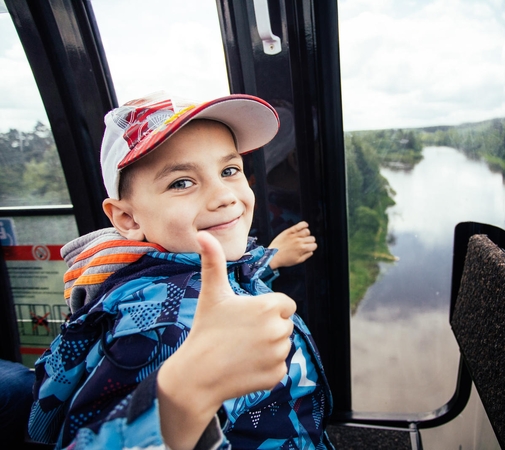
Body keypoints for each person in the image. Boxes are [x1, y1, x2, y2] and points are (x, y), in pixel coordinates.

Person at [28, 92, 333, 450]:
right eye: (182, 183)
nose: (224, 196)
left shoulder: (181, 274)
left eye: (229, 170)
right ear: (127, 218)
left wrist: (272, 258)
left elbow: (231, 282)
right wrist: (190, 389)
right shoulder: (162, 327)